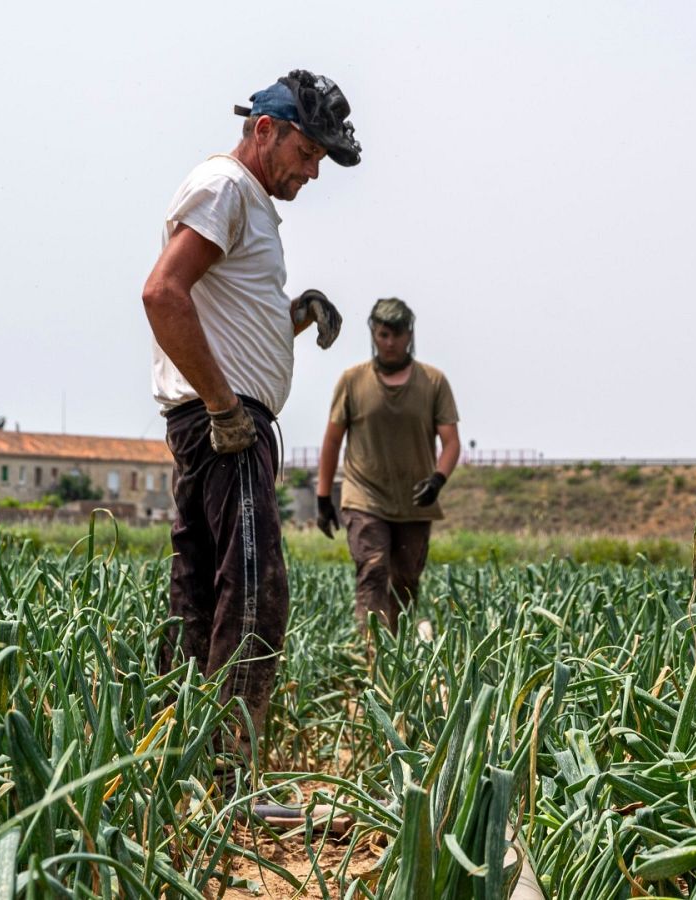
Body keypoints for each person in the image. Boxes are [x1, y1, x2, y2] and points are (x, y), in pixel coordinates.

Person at [140, 69, 360, 764]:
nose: (312, 172)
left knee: (204, 587)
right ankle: (232, 766)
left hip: (224, 423)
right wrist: (224, 408)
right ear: (265, 130)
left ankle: (182, 756)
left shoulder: (245, 200)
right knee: (256, 587)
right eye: (306, 154)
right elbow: (162, 294)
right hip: (227, 429)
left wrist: (294, 317)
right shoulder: (227, 187)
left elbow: (222, 315)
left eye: (321, 160)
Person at [315, 298, 460, 631]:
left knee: (406, 580)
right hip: (364, 496)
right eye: (383, 335)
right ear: (373, 335)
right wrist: (323, 499)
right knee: (373, 569)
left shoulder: (433, 382)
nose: (390, 343)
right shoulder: (352, 381)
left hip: (414, 500)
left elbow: (451, 442)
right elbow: (333, 440)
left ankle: (399, 655)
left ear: (409, 335)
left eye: (396, 335)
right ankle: (373, 659)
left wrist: (438, 480)